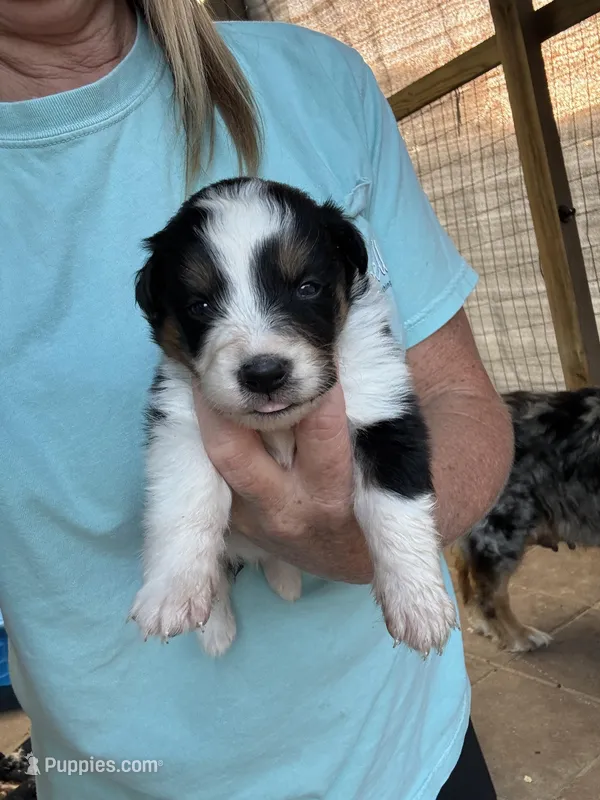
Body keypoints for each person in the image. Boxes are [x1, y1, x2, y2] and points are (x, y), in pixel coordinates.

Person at [0, 1, 514, 797]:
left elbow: (438, 412)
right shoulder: (184, 374)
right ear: (160, 311)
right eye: (203, 306)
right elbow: (181, 457)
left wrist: (381, 558)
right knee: (185, 459)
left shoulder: (317, 78)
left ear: (345, 279)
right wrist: (192, 558)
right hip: (121, 774)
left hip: (407, 757)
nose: (259, 349)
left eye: (305, 287)